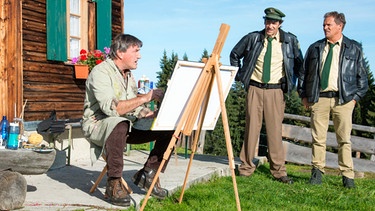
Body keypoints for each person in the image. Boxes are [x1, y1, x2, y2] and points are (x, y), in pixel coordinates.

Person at [82, 34, 174, 206]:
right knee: (118, 123)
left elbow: (133, 106)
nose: (139, 56)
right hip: (98, 125)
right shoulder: (100, 72)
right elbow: (112, 108)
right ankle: (114, 182)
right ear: (120, 52)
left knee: (168, 127)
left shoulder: (128, 76)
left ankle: (148, 174)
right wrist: (145, 98)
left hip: (125, 125)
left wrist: (147, 113)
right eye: (136, 51)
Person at [230, 7, 303, 184]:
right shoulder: (253, 38)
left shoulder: (290, 41)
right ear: (264, 22)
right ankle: (246, 168)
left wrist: (293, 86)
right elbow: (234, 54)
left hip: (276, 91)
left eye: (274, 22)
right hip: (254, 88)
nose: (270, 25)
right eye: (268, 21)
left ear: (280, 24)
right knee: (251, 129)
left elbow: (300, 66)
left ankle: (279, 171)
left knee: (274, 132)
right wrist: (240, 75)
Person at [298, 11, 368, 188]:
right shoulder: (314, 47)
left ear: (340, 26)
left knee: (344, 139)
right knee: (317, 138)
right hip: (319, 99)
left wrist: (354, 99)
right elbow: (304, 73)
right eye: (324, 25)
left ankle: (347, 176)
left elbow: (362, 79)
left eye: (329, 24)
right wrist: (303, 95)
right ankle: (317, 173)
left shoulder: (354, 48)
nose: (325, 27)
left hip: (343, 100)